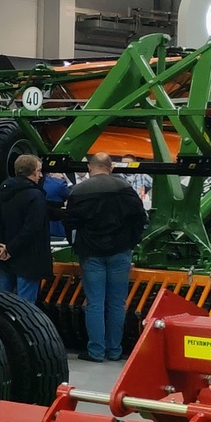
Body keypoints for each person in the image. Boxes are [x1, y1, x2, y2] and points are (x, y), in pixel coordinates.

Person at [63, 153, 148, 363]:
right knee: (117, 304)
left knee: (95, 304)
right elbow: (140, 219)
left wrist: (76, 244)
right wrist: (131, 242)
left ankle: (96, 352)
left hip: (91, 254)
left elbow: (69, 221)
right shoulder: (125, 190)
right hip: (120, 252)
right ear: (110, 168)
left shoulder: (79, 190)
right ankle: (114, 350)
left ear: (90, 168)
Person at [0, 152, 53, 304]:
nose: (41, 175)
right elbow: (32, 228)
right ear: (33, 172)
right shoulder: (35, 196)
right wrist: (11, 249)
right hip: (28, 261)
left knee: (1, 306)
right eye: (39, 171)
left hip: (4, 260)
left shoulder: (0, 194)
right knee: (25, 310)